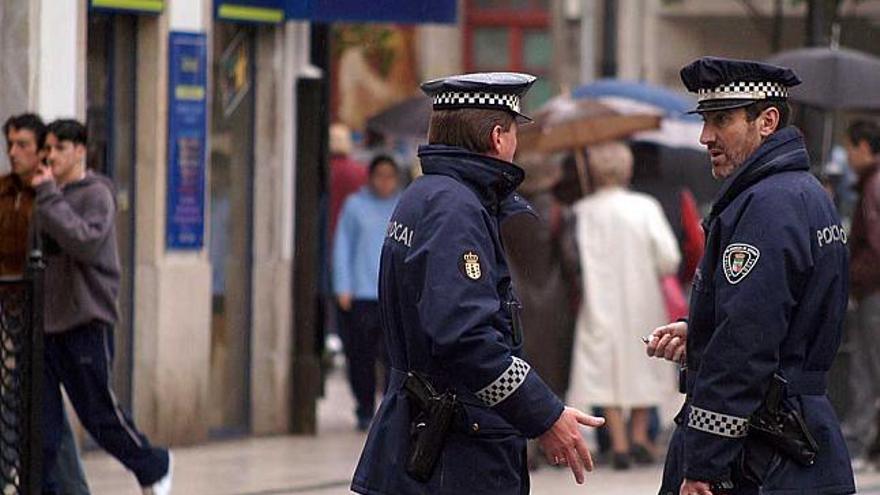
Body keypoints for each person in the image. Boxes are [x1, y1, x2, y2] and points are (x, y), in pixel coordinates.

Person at [350, 72, 605, 495]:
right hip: (455, 450)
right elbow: (465, 337)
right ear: (498, 137)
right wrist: (544, 415)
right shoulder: (456, 209)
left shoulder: (426, 193)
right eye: (514, 131)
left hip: (430, 436)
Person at [647, 57, 855, 495]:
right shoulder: (805, 192)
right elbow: (783, 318)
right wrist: (699, 330)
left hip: (759, 452)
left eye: (722, 120)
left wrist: (703, 463)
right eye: (706, 120)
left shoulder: (767, 205)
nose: (706, 136)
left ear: (767, 121)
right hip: (796, 439)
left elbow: (745, 344)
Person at [32, 119, 172, 495]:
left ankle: (154, 464)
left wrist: (47, 196)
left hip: (86, 321)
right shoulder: (44, 194)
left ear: (80, 150)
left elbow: (85, 242)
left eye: (61, 147)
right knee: (41, 424)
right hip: (45, 326)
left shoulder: (97, 194)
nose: (52, 155)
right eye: (48, 147)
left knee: (98, 414)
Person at [568, 141, 681, 470]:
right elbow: (669, 258)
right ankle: (640, 436)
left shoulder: (583, 210)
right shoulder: (645, 207)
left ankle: (618, 443)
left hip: (599, 298)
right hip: (641, 297)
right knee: (642, 363)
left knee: (607, 367)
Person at [1, 113, 91, 495]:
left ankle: (66, 487)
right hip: (10, 312)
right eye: (9, 144)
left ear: (41, 151)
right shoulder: (4, 192)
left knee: (38, 405)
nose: (13, 152)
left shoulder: (52, 194)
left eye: (23, 144)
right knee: (23, 403)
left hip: (42, 318)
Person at [333, 154, 401, 431]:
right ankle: (363, 407)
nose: (384, 182)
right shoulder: (354, 206)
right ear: (370, 177)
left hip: (393, 296)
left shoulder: (403, 205)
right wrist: (342, 285)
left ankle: (390, 409)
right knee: (360, 356)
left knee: (393, 358)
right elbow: (343, 245)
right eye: (379, 175)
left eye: (390, 176)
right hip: (361, 293)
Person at [842, 119, 880, 470]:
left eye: (851, 148)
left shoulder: (873, 187)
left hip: (874, 292)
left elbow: (875, 244)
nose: (848, 156)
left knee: (867, 369)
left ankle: (862, 445)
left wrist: (851, 275)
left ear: (865, 147)